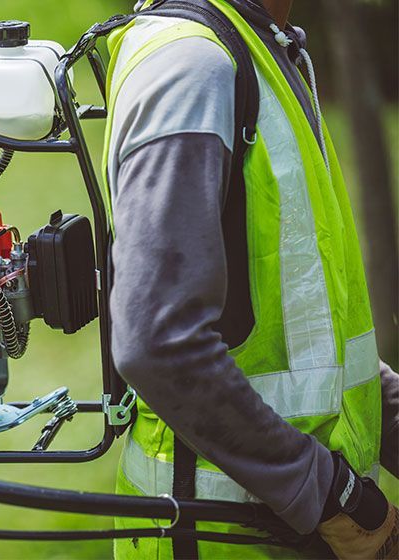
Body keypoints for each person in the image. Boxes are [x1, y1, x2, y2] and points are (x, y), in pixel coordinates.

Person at [102, 0, 399, 558]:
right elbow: (158, 344)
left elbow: (304, 327)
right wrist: (331, 495)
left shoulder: (266, 47)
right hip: (222, 539)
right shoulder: (194, 64)